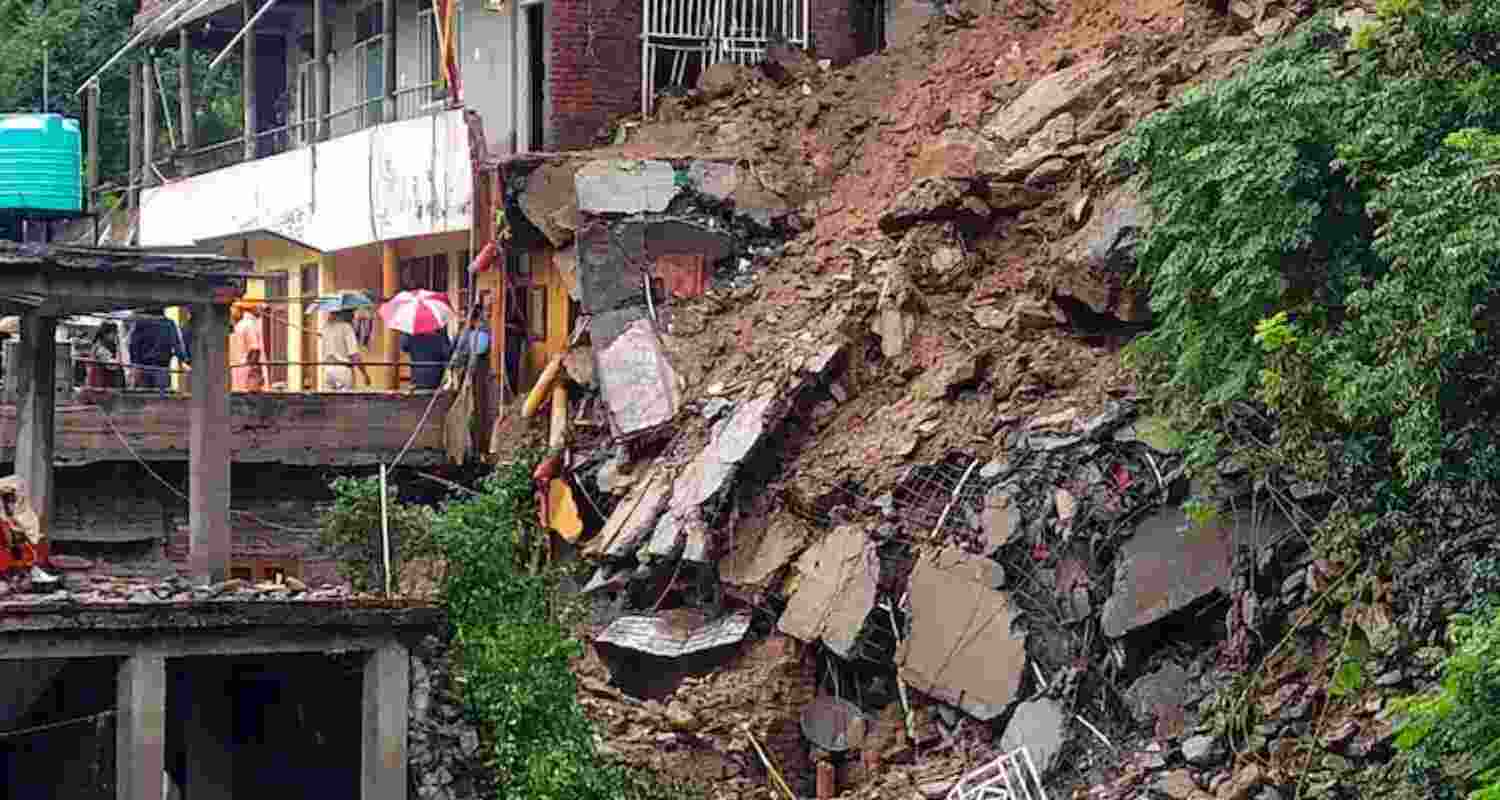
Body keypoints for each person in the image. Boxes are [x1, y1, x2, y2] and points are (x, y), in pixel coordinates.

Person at [128, 308, 188, 393]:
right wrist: (183, 359)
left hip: (143, 367)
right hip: (162, 366)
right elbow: (177, 344)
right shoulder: (168, 323)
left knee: (144, 397)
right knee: (161, 398)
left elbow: (133, 345)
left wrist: (134, 364)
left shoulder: (141, 323)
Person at [321, 309, 370, 391]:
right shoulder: (346, 327)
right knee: (345, 401)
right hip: (343, 371)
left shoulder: (326, 327)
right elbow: (354, 355)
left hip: (327, 370)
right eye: (352, 313)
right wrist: (364, 374)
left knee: (328, 401)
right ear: (345, 313)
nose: (353, 316)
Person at [229, 302, 267, 392]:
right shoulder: (248, 324)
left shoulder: (245, 324)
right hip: (243, 368)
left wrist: (251, 371)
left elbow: (255, 350)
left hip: (243, 368)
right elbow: (254, 349)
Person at [85, 324, 125, 389]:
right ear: (105, 334)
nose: (116, 335)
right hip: (100, 384)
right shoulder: (100, 348)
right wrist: (118, 348)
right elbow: (114, 366)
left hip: (103, 383)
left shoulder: (104, 346)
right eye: (114, 333)